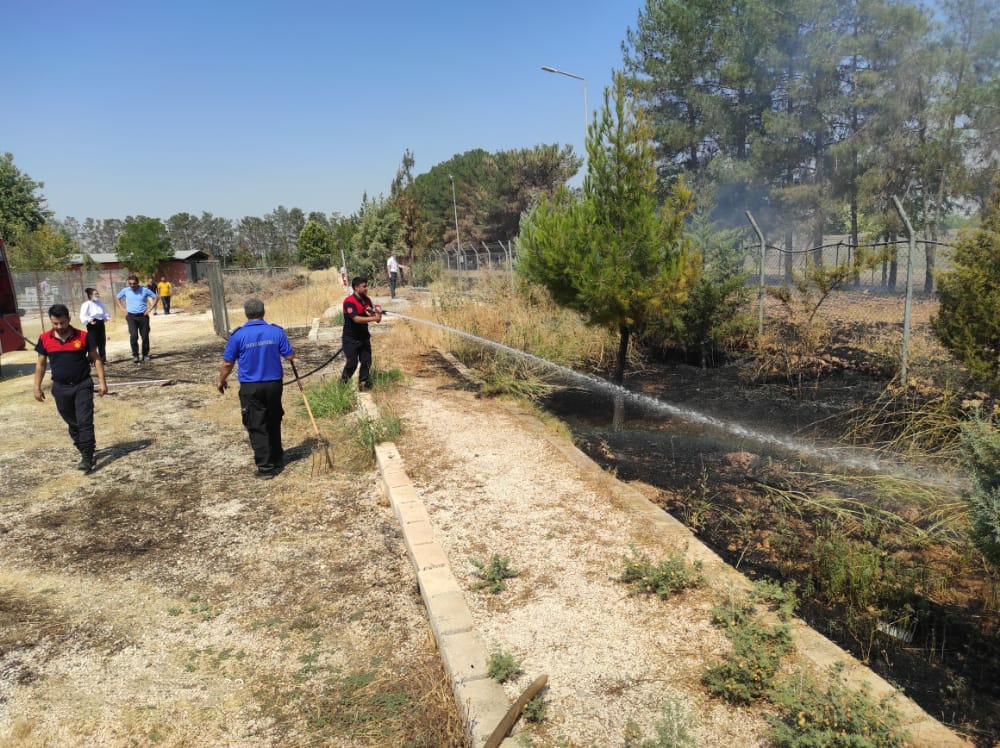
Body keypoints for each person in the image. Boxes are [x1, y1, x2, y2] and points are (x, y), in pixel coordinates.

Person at [217, 298, 295, 479]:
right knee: (273, 420)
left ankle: (266, 468)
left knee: (256, 424)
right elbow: (290, 356)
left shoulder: (238, 335)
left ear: (246, 313)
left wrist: (221, 380)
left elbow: (228, 362)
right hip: (274, 385)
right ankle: (277, 459)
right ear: (263, 312)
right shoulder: (276, 331)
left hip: (251, 387)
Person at [33, 303, 108, 473]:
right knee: (72, 423)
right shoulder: (44, 338)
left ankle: (87, 458)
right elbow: (41, 364)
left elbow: (96, 359)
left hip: (82, 385)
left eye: (62, 323)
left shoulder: (83, 336)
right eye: (55, 323)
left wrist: (103, 382)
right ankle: (85, 449)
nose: (59, 327)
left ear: (68, 319)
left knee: (85, 422)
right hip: (60, 388)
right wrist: (36, 387)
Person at [340, 276, 381, 390]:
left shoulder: (367, 300)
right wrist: (373, 318)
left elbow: (373, 316)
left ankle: (362, 384)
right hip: (351, 339)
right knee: (352, 364)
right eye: (364, 286)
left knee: (366, 361)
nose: (366, 288)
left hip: (364, 337)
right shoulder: (349, 302)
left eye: (366, 286)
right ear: (356, 288)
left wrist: (377, 315)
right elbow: (356, 319)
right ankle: (342, 386)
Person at [116, 274, 158, 363]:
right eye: (130, 283)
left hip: (143, 316)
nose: (132, 285)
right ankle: (135, 355)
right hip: (131, 317)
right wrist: (122, 308)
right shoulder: (126, 290)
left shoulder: (144, 290)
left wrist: (150, 309)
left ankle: (145, 354)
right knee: (134, 336)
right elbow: (117, 298)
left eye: (134, 283)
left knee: (145, 336)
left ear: (137, 283)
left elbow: (156, 297)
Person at [79, 287, 111, 365]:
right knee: (93, 342)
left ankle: (103, 359)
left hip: (100, 323)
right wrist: (89, 320)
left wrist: (107, 317)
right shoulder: (86, 304)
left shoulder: (100, 303)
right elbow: (83, 315)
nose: (97, 295)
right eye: (95, 294)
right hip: (92, 323)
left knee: (102, 341)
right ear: (90, 295)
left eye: (97, 293)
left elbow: (105, 313)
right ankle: (91, 359)